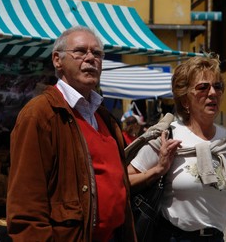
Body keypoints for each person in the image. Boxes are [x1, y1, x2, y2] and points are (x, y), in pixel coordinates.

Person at [7, 26, 136, 242]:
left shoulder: (105, 117)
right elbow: (26, 205)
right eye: (80, 51)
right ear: (57, 60)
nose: (90, 58)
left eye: (97, 53)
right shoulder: (40, 114)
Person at [127, 56, 226, 241]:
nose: (212, 93)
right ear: (185, 100)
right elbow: (124, 180)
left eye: (217, 87)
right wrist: (157, 170)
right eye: (203, 87)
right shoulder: (167, 137)